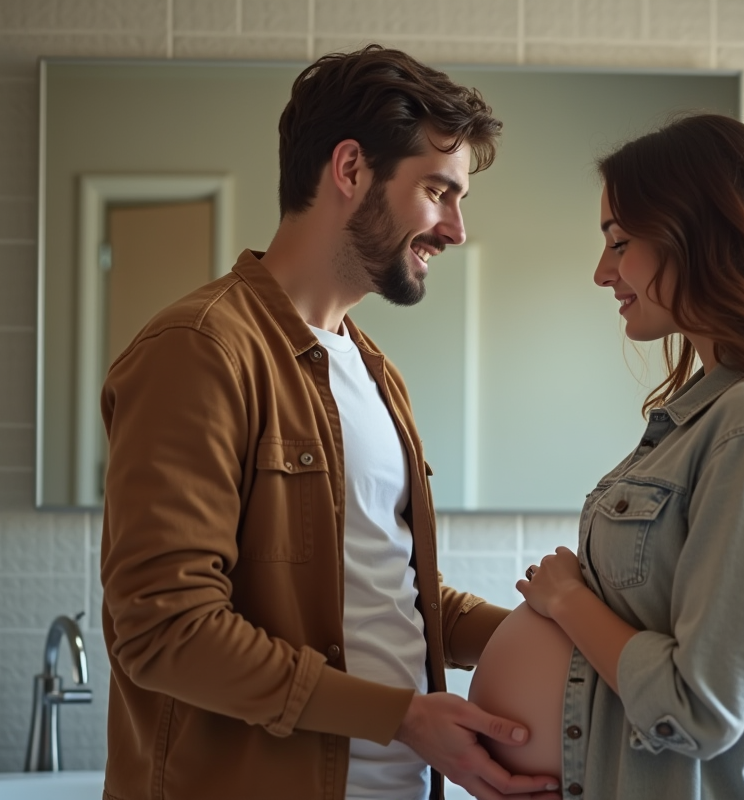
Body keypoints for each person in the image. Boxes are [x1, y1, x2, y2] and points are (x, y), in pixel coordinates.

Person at [99, 46, 561, 800]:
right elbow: (165, 629)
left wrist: (567, 642)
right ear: (350, 170)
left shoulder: (375, 371)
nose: (456, 230)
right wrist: (402, 717)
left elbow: (395, 596)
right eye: (439, 192)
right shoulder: (200, 349)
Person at [515, 114, 744, 799]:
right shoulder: (715, 413)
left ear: (698, 236)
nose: (603, 272)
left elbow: (698, 706)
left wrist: (567, 600)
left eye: (620, 242)